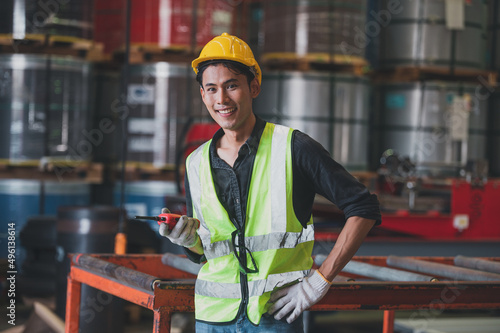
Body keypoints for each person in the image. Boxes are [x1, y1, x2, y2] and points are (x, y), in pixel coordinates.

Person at [159, 32, 381, 332]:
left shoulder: (293, 147)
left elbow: (363, 207)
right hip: (212, 318)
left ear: (254, 86)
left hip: (273, 316)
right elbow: (209, 249)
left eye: (232, 85)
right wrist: (187, 239)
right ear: (202, 95)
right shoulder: (195, 162)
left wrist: (320, 280)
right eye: (211, 89)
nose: (221, 99)